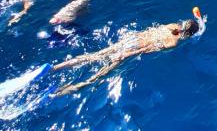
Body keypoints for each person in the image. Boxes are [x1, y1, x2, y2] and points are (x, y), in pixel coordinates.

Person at [52, 7, 206, 96]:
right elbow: (147, 49)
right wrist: (126, 54)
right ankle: (58, 93)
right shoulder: (173, 42)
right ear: (189, 35)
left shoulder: (172, 25)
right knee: (97, 77)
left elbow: (151, 31)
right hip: (133, 48)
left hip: (131, 38)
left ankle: (54, 68)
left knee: (94, 56)